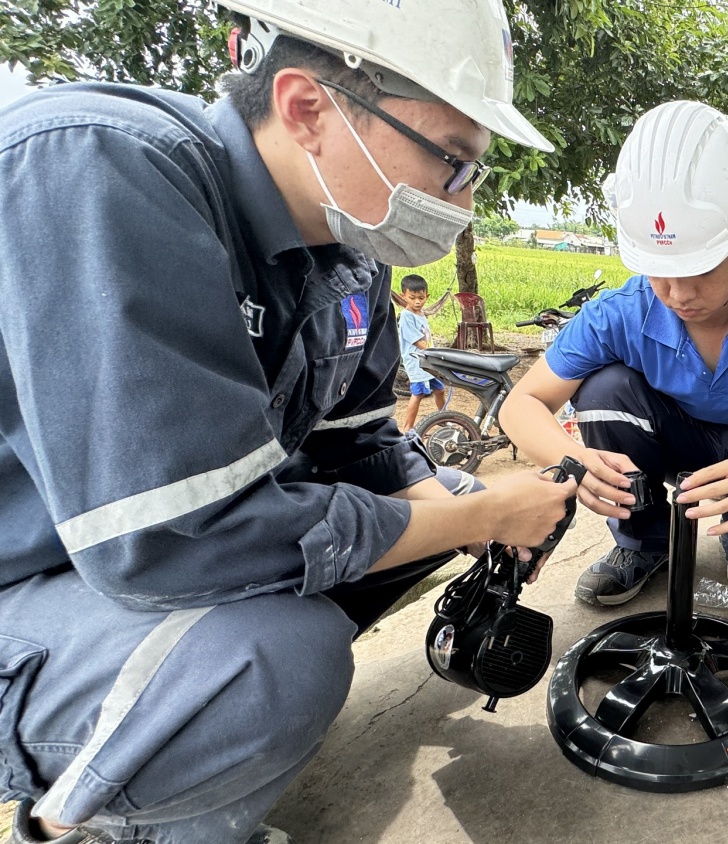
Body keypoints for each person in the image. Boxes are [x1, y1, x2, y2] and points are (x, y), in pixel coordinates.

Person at [0, 0, 573, 841]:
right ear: (309, 108)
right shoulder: (103, 167)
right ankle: (122, 814)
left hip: (129, 567)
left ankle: (198, 737)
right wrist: (485, 513)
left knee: (440, 493)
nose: (462, 198)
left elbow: (364, 448)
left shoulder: (349, 259)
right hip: (41, 579)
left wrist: (464, 512)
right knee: (281, 657)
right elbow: (175, 537)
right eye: (452, 162)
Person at [500, 100, 728, 606]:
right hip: (674, 438)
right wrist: (574, 458)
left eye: (701, 269)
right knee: (601, 391)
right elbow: (523, 404)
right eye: (659, 271)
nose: (678, 293)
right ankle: (645, 542)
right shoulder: (621, 311)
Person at [396, 273, 448, 430]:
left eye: (421, 297)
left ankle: (443, 420)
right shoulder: (406, 316)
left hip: (428, 361)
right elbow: (418, 342)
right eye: (412, 298)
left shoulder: (421, 314)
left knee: (439, 390)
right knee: (418, 394)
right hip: (417, 362)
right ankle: (408, 428)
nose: (417, 301)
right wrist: (436, 354)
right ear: (403, 296)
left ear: (427, 296)